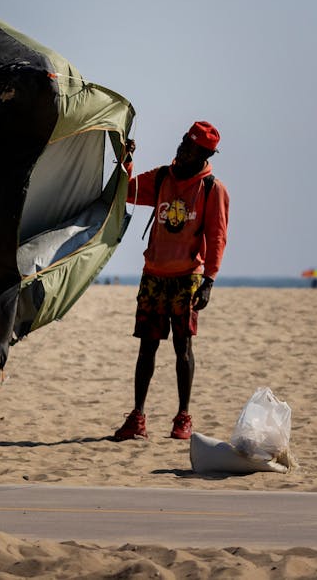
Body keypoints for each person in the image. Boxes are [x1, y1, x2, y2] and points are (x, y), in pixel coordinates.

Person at [114, 120, 230, 441]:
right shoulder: (163, 176)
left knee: (183, 349)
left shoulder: (212, 189)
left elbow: (217, 237)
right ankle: (137, 417)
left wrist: (209, 280)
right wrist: (127, 161)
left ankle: (183, 418)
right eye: (183, 141)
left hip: (186, 279)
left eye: (190, 146)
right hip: (153, 275)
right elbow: (128, 191)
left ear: (204, 154)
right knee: (146, 348)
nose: (182, 148)